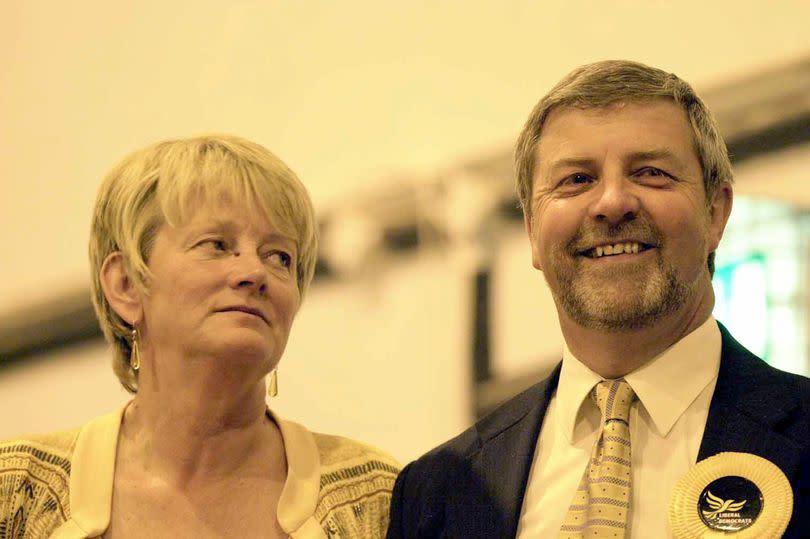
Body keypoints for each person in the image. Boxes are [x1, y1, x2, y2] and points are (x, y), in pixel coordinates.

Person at [386, 60, 810, 538]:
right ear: (531, 231)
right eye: (576, 180)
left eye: (650, 172)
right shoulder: (435, 490)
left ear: (715, 214)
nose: (611, 203)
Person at [0, 135, 399, 538]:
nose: (254, 273)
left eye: (279, 256)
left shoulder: (377, 501)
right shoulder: (15, 491)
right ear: (125, 284)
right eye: (218, 245)